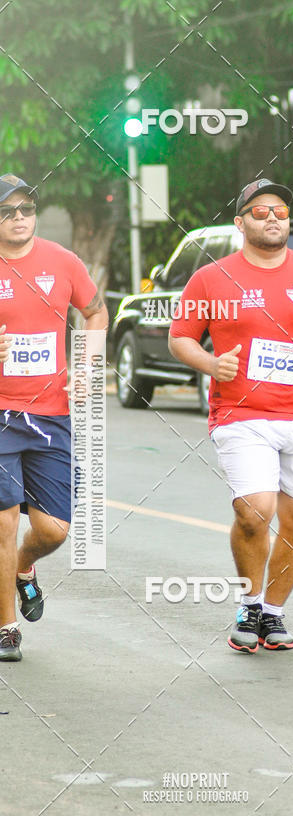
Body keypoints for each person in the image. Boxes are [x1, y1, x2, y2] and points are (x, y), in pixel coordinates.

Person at [169, 177, 293, 653]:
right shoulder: (211, 278)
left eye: (280, 209)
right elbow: (181, 337)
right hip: (241, 412)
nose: (273, 216)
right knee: (255, 508)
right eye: (260, 211)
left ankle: (273, 614)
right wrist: (212, 364)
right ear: (241, 223)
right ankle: (250, 602)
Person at [0, 173, 108, 662]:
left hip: (51, 415)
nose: (19, 218)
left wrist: (86, 365)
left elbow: (97, 312)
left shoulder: (63, 262)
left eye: (26, 209)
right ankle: (6, 630)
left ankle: (25, 567)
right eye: (8, 211)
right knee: (2, 525)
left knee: (54, 530)